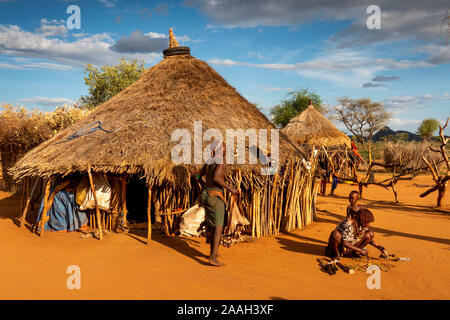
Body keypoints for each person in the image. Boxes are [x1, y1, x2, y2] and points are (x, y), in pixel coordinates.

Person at [196, 140, 238, 267]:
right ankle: (213, 258)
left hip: (206, 195)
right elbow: (216, 178)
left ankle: (213, 253)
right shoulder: (220, 160)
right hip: (215, 196)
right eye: (224, 147)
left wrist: (204, 186)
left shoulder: (209, 161)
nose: (225, 150)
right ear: (220, 149)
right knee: (219, 227)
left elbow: (197, 176)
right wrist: (231, 189)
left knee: (214, 225)